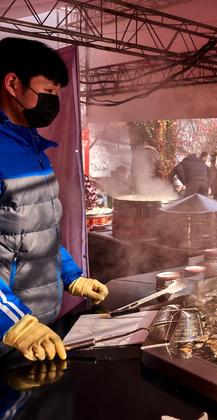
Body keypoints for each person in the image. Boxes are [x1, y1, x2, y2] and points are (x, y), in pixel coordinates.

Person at [0, 37, 108, 361]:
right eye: (47, 91)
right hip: (9, 337)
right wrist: (14, 323)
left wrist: (71, 277)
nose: (54, 102)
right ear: (12, 83)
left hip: (41, 330)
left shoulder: (34, 150)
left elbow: (37, 232)